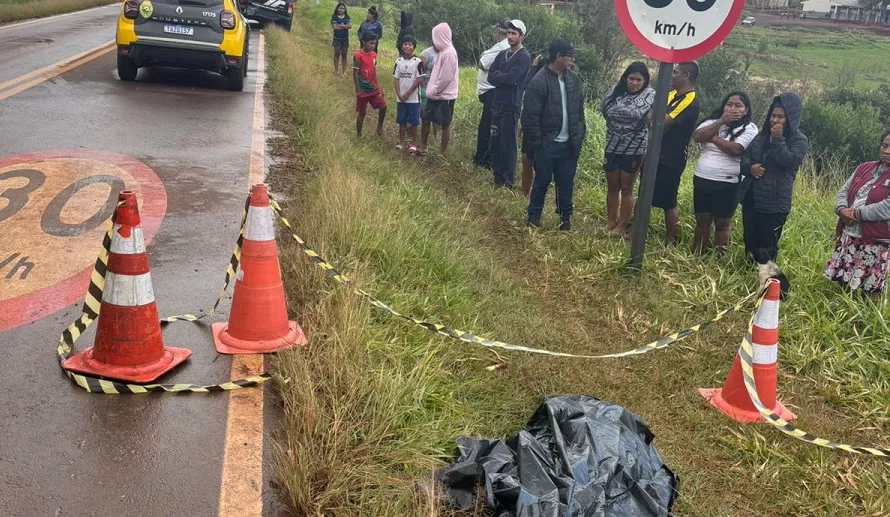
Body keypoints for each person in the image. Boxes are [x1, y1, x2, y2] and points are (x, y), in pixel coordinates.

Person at [523, 38, 586, 231]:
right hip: (548, 143)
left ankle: (565, 219)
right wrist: (539, 143)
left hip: (569, 144)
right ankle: (533, 217)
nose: (572, 59)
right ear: (559, 57)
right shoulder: (539, 81)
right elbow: (530, 117)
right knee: (541, 181)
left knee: (566, 183)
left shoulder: (572, 79)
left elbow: (579, 111)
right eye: (570, 56)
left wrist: (580, 133)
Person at [740, 92, 807, 264]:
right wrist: (750, 168)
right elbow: (745, 157)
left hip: (775, 202)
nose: (775, 120)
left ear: (790, 119)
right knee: (750, 240)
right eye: (773, 116)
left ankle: (767, 282)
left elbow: (787, 161)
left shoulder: (799, 140)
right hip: (752, 197)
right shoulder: (761, 136)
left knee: (767, 246)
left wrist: (777, 139)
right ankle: (748, 277)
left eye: (781, 117)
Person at [690, 92, 758, 255]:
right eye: (729, 104)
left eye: (738, 105)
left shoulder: (750, 128)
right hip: (703, 178)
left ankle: (719, 259)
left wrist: (714, 139)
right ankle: (697, 256)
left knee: (722, 223)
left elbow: (737, 150)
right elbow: (698, 136)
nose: (732, 108)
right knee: (702, 221)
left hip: (728, 183)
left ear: (746, 110)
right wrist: (721, 121)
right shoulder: (712, 121)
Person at [825, 131, 890, 294]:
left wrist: (855, 214)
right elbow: (844, 190)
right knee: (843, 282)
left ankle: (864, 319)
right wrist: (841, 209)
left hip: (874, 242)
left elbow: (887, 207)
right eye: (885, 145)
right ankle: (837, 314)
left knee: (869, 289)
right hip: (849, 235)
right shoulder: (864, 167)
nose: (887, 151)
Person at [601, 62, 655, 237]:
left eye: (639, 79)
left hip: (634, 148)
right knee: (612, 186)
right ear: (625, 78)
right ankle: (610, 221)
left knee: (626, 188)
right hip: (612, 144)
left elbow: (649, 118)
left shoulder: (650, 95)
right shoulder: (614, 91)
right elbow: (604, 110)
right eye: (631, 78)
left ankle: (621, 225)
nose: (635, 83)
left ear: (645, 80)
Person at [650, 61, 701, 245]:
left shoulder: (690, 101)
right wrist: (656, 119)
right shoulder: (670, 93)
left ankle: (670, 241)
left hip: (672, 158)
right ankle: (635, 233)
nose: (671, 76)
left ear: (686, 76)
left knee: (668, 201)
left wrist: (657, 119)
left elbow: (662, 122)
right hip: (654, 151)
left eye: (675, 72)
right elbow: (649, 117)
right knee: (644, 193)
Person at [487, 20, 531, 189]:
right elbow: (491, 76)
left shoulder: (523, 56)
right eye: (509, 33)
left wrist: (501, 76)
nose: (510, 37)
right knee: (495, 142)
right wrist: (502, 77)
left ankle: (508, 180)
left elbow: (513, 80)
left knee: (508, 144)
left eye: (514, 34)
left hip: (511, 106)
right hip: (497, 104)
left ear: (521, 36)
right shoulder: (502, 54)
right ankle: (497, 177)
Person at [474, 21, 510, 169]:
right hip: (491, 91)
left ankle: (484, 159)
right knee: (490, 125)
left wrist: (484, 55)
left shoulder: (501, 47)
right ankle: (486, 158)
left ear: (498, 32)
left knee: (487, 126)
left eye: (495, 31)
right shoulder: (502, 47)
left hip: (492, 91)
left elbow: (482, 63)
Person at [419, 23, 458, 157]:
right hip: (434, 95)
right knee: (426, 119)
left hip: (444, 96)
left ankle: (442, 153)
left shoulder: (449, 53)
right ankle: (423, 146)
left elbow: (445, 78)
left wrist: (434, 91)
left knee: (444, 124)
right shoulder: (442, 52)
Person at [519, 54, 547, 196]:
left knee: (534, 162)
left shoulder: (551, 80)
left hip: (545, 129)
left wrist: (534, 65)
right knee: (527, 159)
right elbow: (526, 88)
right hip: (531, 125)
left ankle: (533, 194)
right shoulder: (536, 82)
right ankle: (525, 193)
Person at [353, 32, 386, 138]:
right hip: (363, 89)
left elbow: (373, 70)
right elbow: (355, 73)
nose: (373, 46)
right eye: (370, 43)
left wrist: (378, 86)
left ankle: (379, 127)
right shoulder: (358, 56)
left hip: (373, 88)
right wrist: (358, 90)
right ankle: (358, 134)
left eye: (374, 44)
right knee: (362, 113)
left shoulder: (373, 55)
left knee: (383, 106)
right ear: (363, 42)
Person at [393, 36, 422, 153]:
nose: (407, 46)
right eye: (405, 44)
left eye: (410, 44)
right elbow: (396, 78)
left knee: (414, 122)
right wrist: (399, 94)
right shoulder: (398, 61)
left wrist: (407, 93)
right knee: (401, 121)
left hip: (413, 98)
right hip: (401, 98)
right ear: (401, 46)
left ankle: (414, 143)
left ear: (414, 47)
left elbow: (419, 80)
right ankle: (401, 142)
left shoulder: (417, 62)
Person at [330, 3, 351, 74]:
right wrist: (345, 26)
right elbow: (334, 27)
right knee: (337, 53)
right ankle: (336, 70)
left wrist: (340, 25)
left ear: (345, 10)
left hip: (345, 39)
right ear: (337, 8)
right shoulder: (334, 17)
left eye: (343, 8)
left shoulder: (347, 17)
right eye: (340, 8)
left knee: (344, 55)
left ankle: (344, 71)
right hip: (337, 38)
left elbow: (350, 26)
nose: (341, 10)